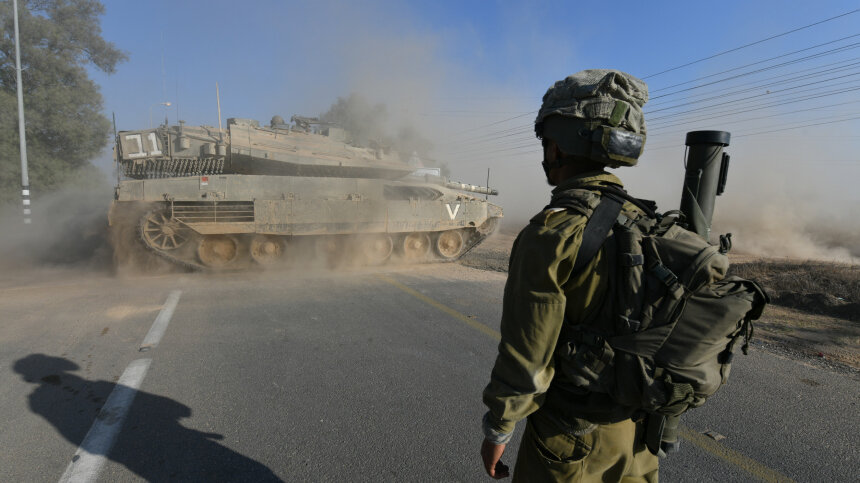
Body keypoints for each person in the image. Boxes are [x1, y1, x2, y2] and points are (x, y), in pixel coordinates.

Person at [480, 70, 659, 482]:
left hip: (570, 438)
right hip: (638, 435)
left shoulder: (552, 233)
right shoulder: (647, 221)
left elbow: (528, 355)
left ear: (557, 147)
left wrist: (499, 427)